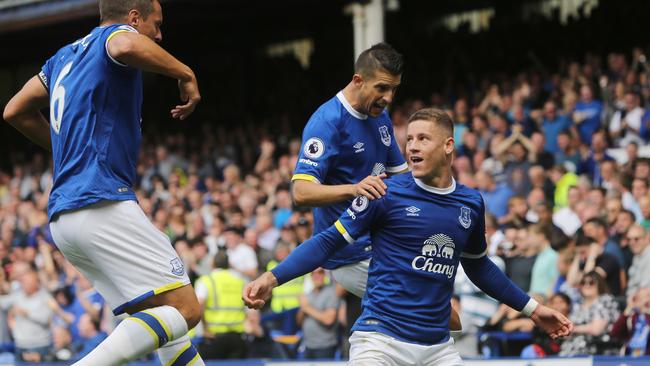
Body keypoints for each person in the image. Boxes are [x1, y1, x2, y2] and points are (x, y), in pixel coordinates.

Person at [245, 108, 572, 365]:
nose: (412, 146)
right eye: (410, 139)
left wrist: (532, 309)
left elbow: (479, 267)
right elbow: (329, 241)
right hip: (380, 343)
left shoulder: (470, 203)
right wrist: (272, 278)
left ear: (448, 146)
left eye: (423, 139)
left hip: (437, 349)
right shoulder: (383, 192)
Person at [2, 0, 204, 364]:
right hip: (101, 202)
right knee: (186, 310)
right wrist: (185, 73)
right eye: (155, 25)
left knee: (165, 327)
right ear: (133, 18)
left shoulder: (61, 58)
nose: (158, 35)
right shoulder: (116, 38)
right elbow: (124, 44)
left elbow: (13, 109)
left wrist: (64, 145)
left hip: (65, 220)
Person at [289, 43, 462, 334]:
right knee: (439, 315)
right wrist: (354, 189)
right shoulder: (327, 122)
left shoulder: (377, 114)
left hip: (383, 239)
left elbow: (404, 176)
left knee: (439, 314)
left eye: (394, 89)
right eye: (382, 88)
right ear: (358, 80)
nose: (389, 97)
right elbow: (301, 193)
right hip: (350, 252)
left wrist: (452, 207)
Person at [194, 251, 247, 359]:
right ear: (228, 264)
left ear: (212, 264)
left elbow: (199, 306)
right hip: (237, 337)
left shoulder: (206, 281)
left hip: (214, 337)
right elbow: (251, 311)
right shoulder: (240, 281)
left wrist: (205, 328)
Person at [298, 268, 341, 359]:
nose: (317, 276)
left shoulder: (331, 293)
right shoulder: (308, 294)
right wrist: (302, 309)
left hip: (324, 347)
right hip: (308, 345)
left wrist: (307, 308)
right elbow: (299, 322)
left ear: (324, 275)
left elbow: (329, 320)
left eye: (320, 272)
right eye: (313, 273)